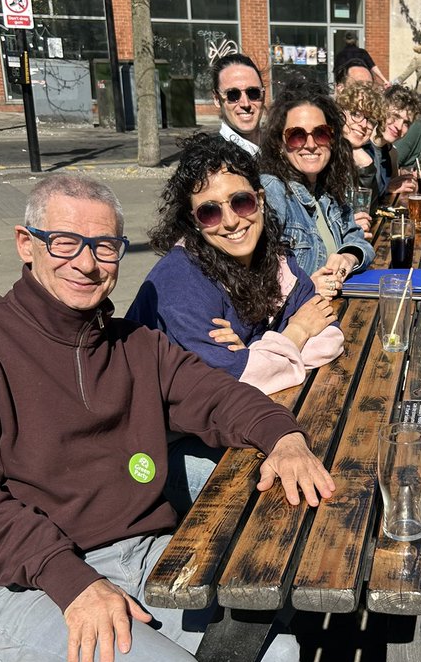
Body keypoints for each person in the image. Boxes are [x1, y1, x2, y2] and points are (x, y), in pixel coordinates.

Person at [0, 173, 336, 662]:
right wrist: (69, 580)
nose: (86, 262)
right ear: (27, 243)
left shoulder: (135, 346)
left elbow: (225, 399)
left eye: (104, 247)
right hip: (27, 587)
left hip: (142, 561)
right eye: (66, 241)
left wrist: (284, 437)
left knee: (273, 654)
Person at [127, 134, 345, 506]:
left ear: (259, 200)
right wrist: (294, 332)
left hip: (232, 419)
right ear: (194, 222)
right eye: (210, 211)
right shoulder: (180, 282)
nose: (230, 222)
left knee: (328, 460)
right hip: (160, 445)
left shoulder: (273, 258)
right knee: (275, 496)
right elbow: (236, 383)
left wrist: (256, 352)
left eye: (240, 202)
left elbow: (329, 335)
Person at [258, 83, 375, 298]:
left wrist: (348, 258)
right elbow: (256, 276)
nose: (311, 144)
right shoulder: (273, 191)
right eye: (296, 135)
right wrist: (306, 287)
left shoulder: (326, 189)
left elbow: (357, 237)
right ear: (279, 144)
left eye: (321, 133)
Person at [334, 80, 387, 209]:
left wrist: (366, 166)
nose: (363, 125)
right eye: (356, 114)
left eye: (370, 120)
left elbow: (370, 211)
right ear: (341, 113)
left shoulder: (366, 154)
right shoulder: (325, 152)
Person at [212, 52, 267, 155]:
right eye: (233, 95)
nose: (245, 104)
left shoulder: (283, 148)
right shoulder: (211, 160)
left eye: (253, 93)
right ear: (216, 99)